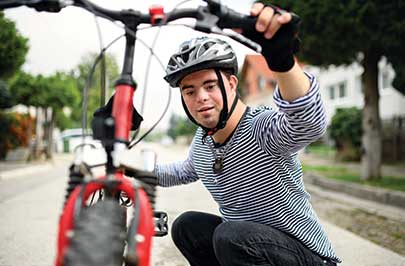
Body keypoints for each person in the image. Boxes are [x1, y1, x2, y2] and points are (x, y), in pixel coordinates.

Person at [154, 2, 341, 266]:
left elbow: (307, 123)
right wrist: (122, 168)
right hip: (253, 248)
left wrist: (282, 61)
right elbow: (181, 171)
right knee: (187, 227)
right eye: (190, 91)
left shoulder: (260, 128)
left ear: (231, 84)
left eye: (210, 85)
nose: (201, 98)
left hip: (308, 257)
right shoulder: (203, 142)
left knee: (231, 236)